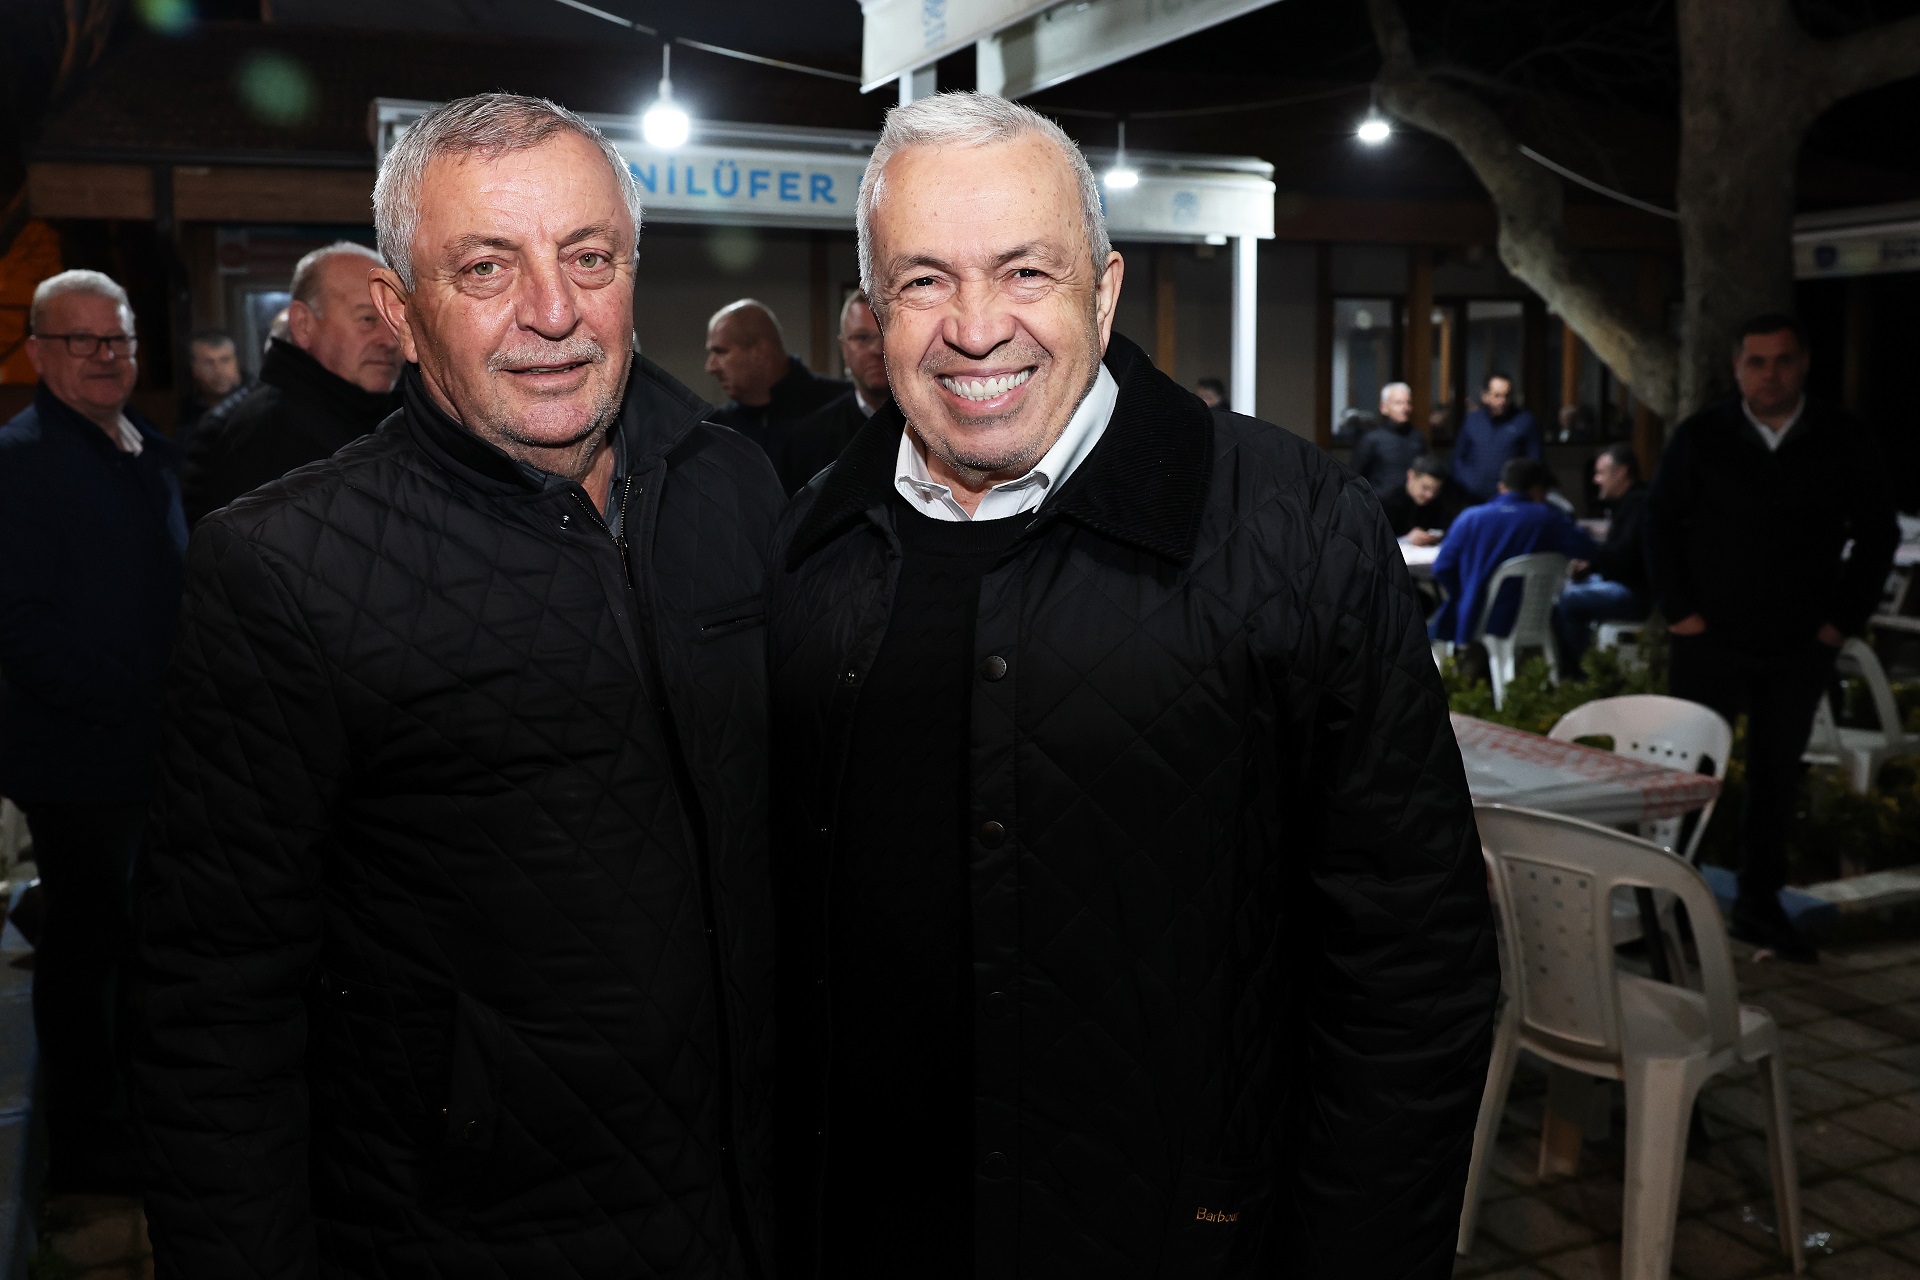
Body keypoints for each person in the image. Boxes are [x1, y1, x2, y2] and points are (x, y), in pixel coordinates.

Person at [767, 91, 1496, 1280]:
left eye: (1025, 272)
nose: (976, 327)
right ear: (875, 312)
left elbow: (1414, 963)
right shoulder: (809, 542)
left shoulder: (1295, 526)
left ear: (1103, 294)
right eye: (925, 281)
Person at [136, 93, 783, 1278]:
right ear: (401, 311)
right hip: (471, 1228)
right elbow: (213, 1004)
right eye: (487, 267)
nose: (554, 310)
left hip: (754, 1202)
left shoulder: (734, 488)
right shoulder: (286, 565)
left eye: (589, 257)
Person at [0, 270, 186, 1196]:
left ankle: (133, 1115)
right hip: (80, 758)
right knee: (89, 951)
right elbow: (17, 627)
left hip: (150, 750)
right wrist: (126, 698)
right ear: (39, 351)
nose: (106, 356)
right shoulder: (20, 462)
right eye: (82, 341)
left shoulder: (145, 445)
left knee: (137, 941)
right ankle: (89, 1147)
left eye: (119, 339)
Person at [1648, 313, 1899, 963]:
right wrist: (1681, 613)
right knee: (1689, 773)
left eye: (1782, 360)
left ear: (1804, 363)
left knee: (1776, 777)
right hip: (1709, 638)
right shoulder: (1703, 436)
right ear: (1737, 368)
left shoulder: (1842, 437)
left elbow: (1878, 534)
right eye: (1756, 362)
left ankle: (1759, 905)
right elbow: (1659, 525)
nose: (1770, 374)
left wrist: (1840, 622)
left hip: (1798, 643)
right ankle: (1668, 908)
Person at [180, 242, 402, 526]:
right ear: (303, 325)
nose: (390, 341)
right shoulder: (267, 436)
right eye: (368, 319)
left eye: (396, 321)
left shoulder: (387, 414)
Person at [1431, 457, 1598, 644]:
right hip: (1534, 617)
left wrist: (1468, 592)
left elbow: (1442, 568)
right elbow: (1589, 550)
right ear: (1538, 490)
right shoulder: (1547, 518)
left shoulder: (1470, 519)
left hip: (1473, 618)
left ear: (1502, 487)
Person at [703, 298, 846, 468]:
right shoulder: (717, 427)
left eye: (720, 352)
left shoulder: (841, 407)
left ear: (760, 351)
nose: (710, 367)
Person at [778, 290, 892, 494]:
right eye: (862, 337)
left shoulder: (934, 429)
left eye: (886, 334)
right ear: (843, 348)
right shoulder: (807, 441)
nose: (877, 349)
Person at [1551, 443, 1651, 673]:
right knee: (1562, 590)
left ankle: (1586, 671)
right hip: (1625, 582)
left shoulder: (1639, 504)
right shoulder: (1629, 504)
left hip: (1637, 592)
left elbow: (1625, 556)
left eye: (1601, 473)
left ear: (1621, 472)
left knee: (1567, 601)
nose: (1596, 480)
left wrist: (1591, 561)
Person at [1452, 372, 1541, 502]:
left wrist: (1519, 487)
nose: (1502, 401)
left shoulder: (1525, 421)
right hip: (1472, 499)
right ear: (1485, 396)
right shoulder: (1472, 421)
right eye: (1497, 396)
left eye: (1507, 395)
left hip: (1511, 499)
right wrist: (1468, 482)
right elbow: (1458, 459)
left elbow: (1535, 461)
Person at [1350, 380, 1424, 497]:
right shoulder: (1371, 439)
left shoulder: (1417, 437)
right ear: (1383, 407)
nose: (1405, 408)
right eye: (1398, 403)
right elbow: (1355, 476)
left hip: (1411, 505)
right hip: (1380, 504)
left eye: (1408, 403)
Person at [175, 328, 246, 446]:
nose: (218, 371)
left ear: (237, 362)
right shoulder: (189, 408)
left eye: (225, 360)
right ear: (194, 368)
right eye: (208, 363)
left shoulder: (256, 400)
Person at [1382, 452, 1462, 544]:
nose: (1430, 495)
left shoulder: (1438, 502)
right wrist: (1406, 539)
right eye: (1425, 488)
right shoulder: (1386, 502)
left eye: (1435, 490)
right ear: (1411, 476)